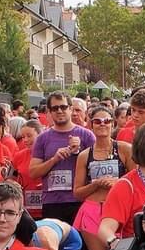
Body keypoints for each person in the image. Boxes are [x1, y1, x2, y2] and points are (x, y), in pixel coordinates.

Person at [73, 105, 133, 250]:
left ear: (112, 123)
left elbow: (136, 181)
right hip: (92, 210)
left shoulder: (124, 149)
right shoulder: (85, 155)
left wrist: (118, 183)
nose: (102, 124)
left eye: (106, 121)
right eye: (97, 121)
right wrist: (96, 184)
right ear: (91, 125)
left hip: (119, 211)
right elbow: (77, 192)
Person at [28, 92, 95, 228]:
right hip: (52, 203)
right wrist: (54, 159)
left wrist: (79, 152)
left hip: (80, 201)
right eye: (55, 108)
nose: (59, 111)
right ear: (49, 112)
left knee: (81, 247)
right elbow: (33, 172)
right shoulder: (42, 138)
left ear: (70, 109)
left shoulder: (87, 135)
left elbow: (96, 169)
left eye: (63, 107)